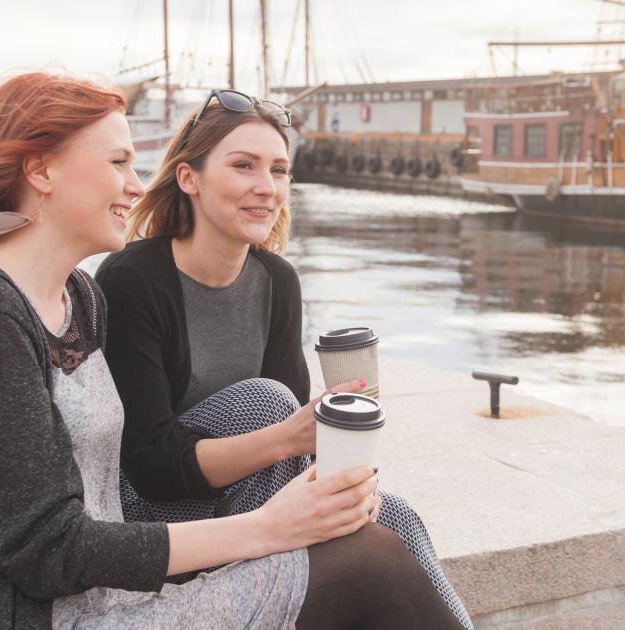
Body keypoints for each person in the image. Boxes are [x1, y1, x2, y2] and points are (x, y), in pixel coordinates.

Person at [0, 72, 461, 630]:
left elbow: (95, 501)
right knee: (367, 564)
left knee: (383, 528)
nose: (136, 185)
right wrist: (268, 528)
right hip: (42, 616)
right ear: (41, 169)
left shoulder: (78, 296)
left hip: (111, 594)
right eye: (118, 162)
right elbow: (45, 550)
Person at [95, 89, 473, 628]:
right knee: (264, 403)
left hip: (260, 499)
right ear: (188, 178)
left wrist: (343, 456)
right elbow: (150, 463)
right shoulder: (133, 279)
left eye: (278, 169)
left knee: (395, 517)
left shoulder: (276, 280)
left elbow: (295, 450)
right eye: (243, 166)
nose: (266, 188)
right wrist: (289, 436)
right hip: (159, 521)